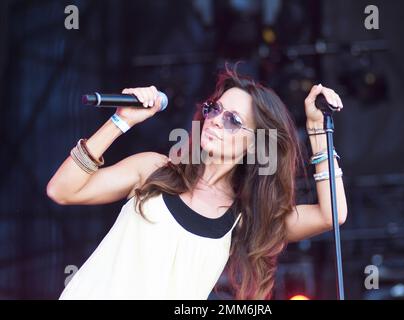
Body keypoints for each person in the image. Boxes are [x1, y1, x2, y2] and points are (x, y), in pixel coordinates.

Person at [47, 65, 347, 300]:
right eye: (215, 109)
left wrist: (317, 130)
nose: (216, 120)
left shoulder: (242, 218)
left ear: (255, 145)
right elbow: (61, 190)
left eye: (233, 120)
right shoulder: (153, 169)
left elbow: (331, 214)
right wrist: (120, 121)